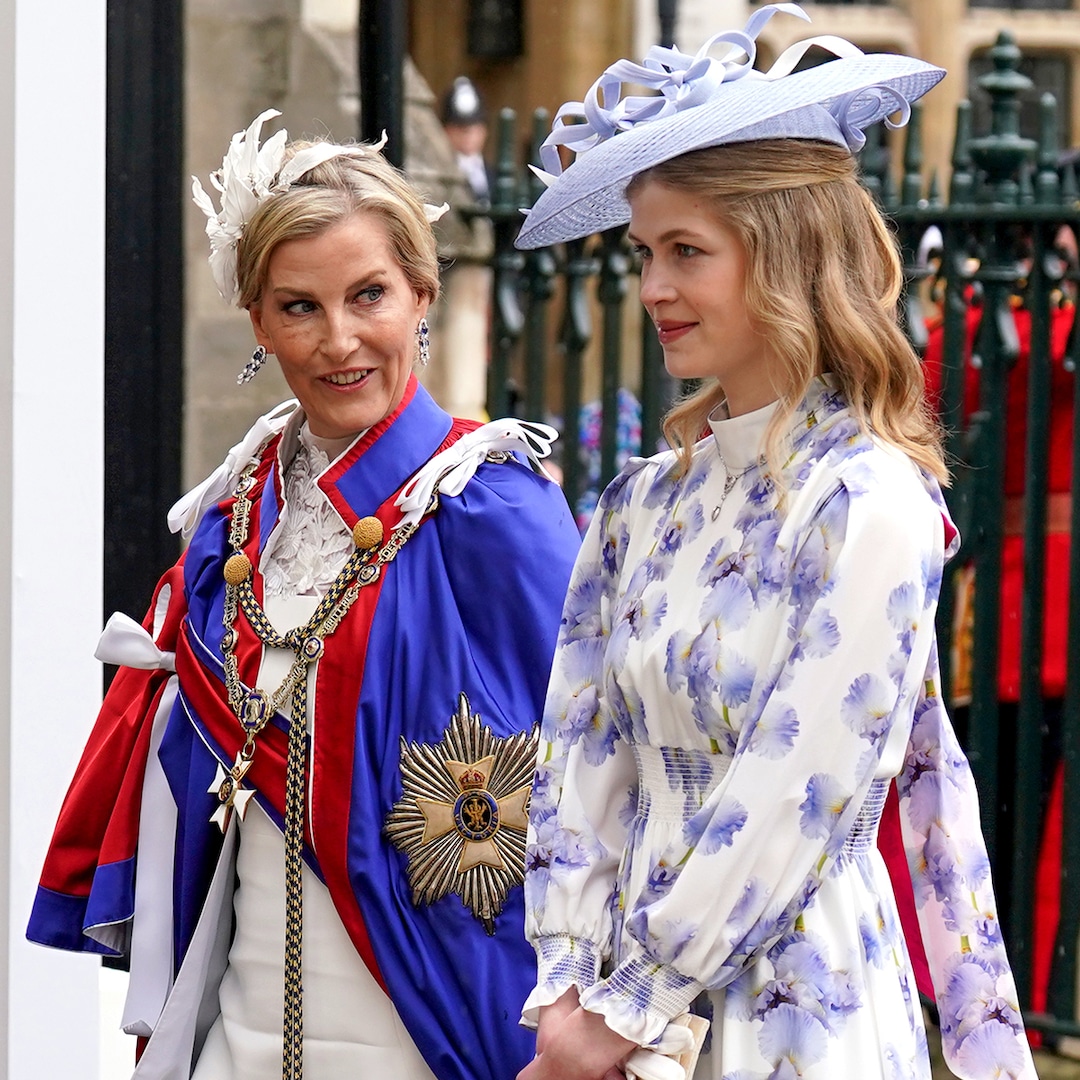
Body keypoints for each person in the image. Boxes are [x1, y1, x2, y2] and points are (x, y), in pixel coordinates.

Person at [512, 5, 1038, 1079]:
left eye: (686, 252)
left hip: (797, 1010)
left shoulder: (869, 501)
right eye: (646, 251)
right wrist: (568, 982)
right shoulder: (641, 502)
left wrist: (625, 1010)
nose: (653, 287)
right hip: (616, 1011)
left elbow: (799, 785)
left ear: (789, 257)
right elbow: (581, 754)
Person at [27, 109, 581, 1080]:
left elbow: (596, 773)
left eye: (369, 295)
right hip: (238, 1024)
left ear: (421, 294)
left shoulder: (496, 507)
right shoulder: (232, 518)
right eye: (298, 307)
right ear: (256, 318)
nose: (338, 341)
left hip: (433, 1022)